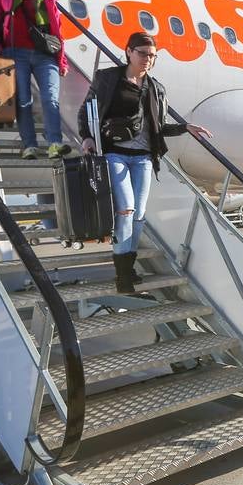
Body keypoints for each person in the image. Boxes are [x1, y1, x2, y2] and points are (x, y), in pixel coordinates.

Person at [78, 32, 212, 292]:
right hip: (114, 153)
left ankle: (128, 268)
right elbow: (86, 109)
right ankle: (123, 276)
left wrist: (185, 127)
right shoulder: (108, 79)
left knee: (138, 215)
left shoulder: (155, 88)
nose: (147, 59)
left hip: (142, 158)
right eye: (142, 53)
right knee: (126, 209)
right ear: (128, 51)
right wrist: (86, 137)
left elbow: (158, 128)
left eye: (152, 56)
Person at [0, 0, 74, 158]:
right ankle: (29, 145)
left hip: (45, 56)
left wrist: (62, 61)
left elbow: (58, 35)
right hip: (15, 53)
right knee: (24, 100)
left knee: (50, 99)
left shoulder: (48, 2)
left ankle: (54, 144)